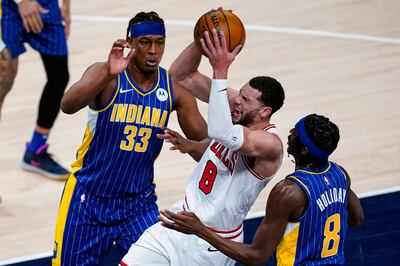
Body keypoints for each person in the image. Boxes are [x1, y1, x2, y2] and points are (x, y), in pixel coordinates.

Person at [52, 11, 207, 266]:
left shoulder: (174, 87)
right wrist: (106, 73)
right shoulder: (107, 76)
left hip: (138, 203)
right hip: (88, 197)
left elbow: (206, 148)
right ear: (130, 43)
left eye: (160, 42)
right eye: (145, 42)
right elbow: (67, 105)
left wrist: (191, 145)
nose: (153, 50)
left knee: (162, 262)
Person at [121, 28, 285, 265]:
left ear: (264, 112)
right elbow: (179, 77)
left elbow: (222, 133)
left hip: (213, 242)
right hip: (180, 219)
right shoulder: (237, 107)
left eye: (246, 99)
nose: (237, 100)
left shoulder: (269, 144)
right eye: (240, 93)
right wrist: (202, 38)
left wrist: (220, 70)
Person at [160, 113, 365, 265]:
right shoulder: (340, 175)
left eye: (296, 132)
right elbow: (356, 219)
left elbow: (256, 256)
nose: (291, 132)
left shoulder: (288, 192)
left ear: (303, 150)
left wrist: (200, 229)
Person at [0, 0, 71, 180]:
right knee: (3, 81)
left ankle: (35, 151)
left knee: (59, 75)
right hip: (7, 6)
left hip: (46, 5)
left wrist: (66, 6)